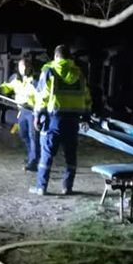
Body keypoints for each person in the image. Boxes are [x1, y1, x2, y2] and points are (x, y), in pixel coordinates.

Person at [30, 45, 91, 195]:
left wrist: (37, 115)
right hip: (73, 120)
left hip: (54, 119)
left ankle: (41, 187)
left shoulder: (50, 71)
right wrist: (86, 116)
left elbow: (42, 95)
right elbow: (87, 96)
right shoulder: (79, 73)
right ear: (69, 57)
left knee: (47, 154)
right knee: (70, 155)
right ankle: (67, 187)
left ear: (56, 56)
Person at [0, 54, 40, 171]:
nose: (24, 69)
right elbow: (7, 87)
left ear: (30, 67)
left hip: (32, 110)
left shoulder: (35, 80)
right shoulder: (17, 80)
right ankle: (31, 157)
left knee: (33, 136)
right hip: (22, 111)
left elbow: (41, 95)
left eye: (26, 66)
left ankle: (34, 161)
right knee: (24, 134)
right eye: (22, 66)